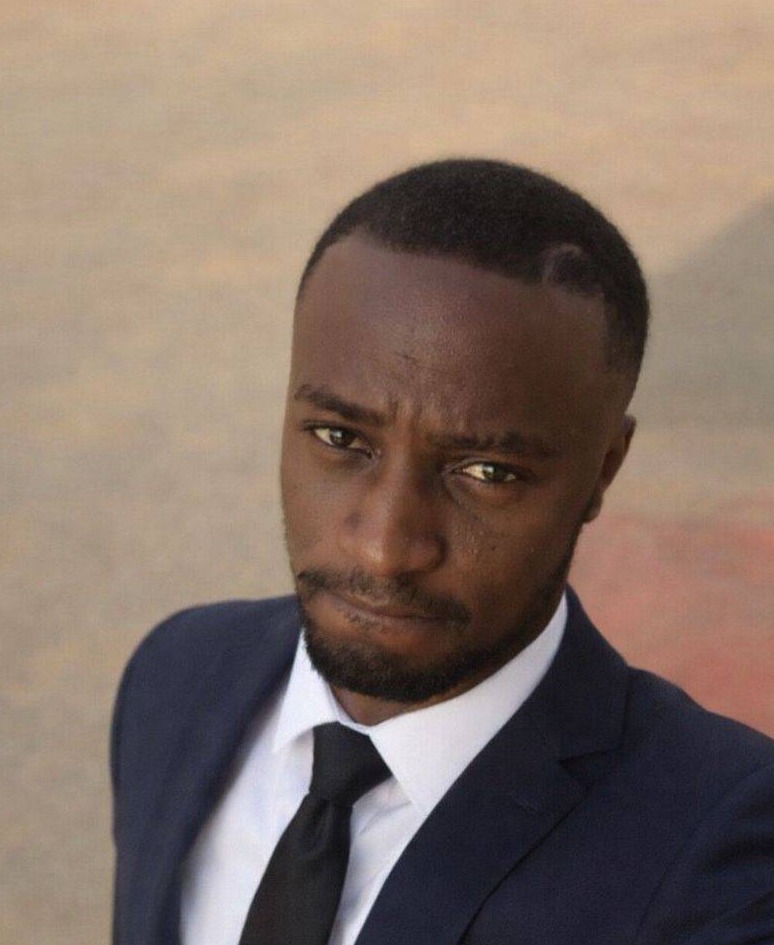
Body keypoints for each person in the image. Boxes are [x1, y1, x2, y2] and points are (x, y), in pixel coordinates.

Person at [110, 159, 774, 945]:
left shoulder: (721, 850)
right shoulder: (177, 676)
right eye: (339, 437)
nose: (386, 548)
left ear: (604, 468)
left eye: (488, 473)